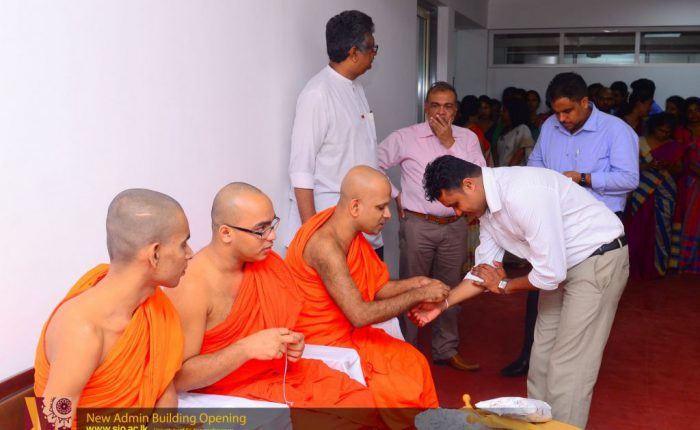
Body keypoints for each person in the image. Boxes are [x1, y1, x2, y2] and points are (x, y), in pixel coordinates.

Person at [413, 155, 629, 429]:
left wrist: (506, 286)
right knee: (541, 358)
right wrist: (442, 304)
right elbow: (483, 273)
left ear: (469, 184)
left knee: (569, 364)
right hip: (558, 268)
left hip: (596, 259)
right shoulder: (486, 209)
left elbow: (548, 274)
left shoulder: (523, 194)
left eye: (455, 204)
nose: (456, 213)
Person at [165, 183, 379, 427]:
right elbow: (179, 378)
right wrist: (245, 349)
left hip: (275, 375)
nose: (272, 237)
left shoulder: (264, 265)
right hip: (227, 390)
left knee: (360, 402)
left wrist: (289, 341)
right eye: (261, 230)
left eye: (272, 225)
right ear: (226, 233)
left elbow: (274, 323)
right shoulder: (192, 284)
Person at [286, 166, 447, 427]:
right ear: (355, 207)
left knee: (413, 360)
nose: (388, 215)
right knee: (398, 384)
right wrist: (419, 295)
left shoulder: (347, 232)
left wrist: (417, 283)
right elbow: (360, 315)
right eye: (381, 207)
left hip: (349, 330)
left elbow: (377, 287)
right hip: (323, 340)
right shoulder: (325, 246)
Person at [507, 72, 638, 379]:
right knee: (542, 299)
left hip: (597, 234)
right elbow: (535, 165)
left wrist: (583, 178)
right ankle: (530, 358)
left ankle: (567, 374)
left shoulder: (616, 130)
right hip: (554, 226)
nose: (562, 119)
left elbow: (629, 178)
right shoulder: (549, 127)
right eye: (557, 113)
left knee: (581, 310)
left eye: (568, 111)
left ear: (585, 102)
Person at [34, 189, 192, 427]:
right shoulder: (82, 331)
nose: (190, 254)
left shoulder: (154, 306)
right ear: (155, 254)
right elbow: (50, 424)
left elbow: (164, 388)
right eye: (183, 244)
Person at [378, 82, 486, 371]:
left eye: (448, 106)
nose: (441, 112)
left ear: (456, 110)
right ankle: (407, 351)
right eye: (435, 105)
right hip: (418, 225)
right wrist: (394, 192)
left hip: (455, 224)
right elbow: (373, 162)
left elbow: (480, 175)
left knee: (450, 288)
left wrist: (450, 142)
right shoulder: (405, 137)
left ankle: (445, 348)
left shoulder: (467, 138)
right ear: (426, 107)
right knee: (410, 288)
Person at [285, 10, 383, 257]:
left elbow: (360, 151)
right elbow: (301, 171)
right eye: (372, 48)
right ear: (354, 53)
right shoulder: (317, 94)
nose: (374, 54)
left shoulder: (356, 87)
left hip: (363, 226)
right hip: (331, 228)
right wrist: (314, 236)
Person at [624, 113, 686, 279]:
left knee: (662, 229)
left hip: (665, 192)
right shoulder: (639, 142)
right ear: (653, 127)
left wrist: (668, 165)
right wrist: (647, 166)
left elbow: (680, 169)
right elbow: (628, 166)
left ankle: (658, 267)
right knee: (638, 227)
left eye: (667, 131)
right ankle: (632, 267)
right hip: (642, 191)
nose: (664, 134)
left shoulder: (674, 146)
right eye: (661, 130)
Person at [679, 97, 700, 274]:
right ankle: (685, 260)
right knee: (689, 218)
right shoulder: (681, 132)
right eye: (690, 111)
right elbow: (678, 157)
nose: (693, 114)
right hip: (687, 181)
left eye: (697, 110)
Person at [495, 97, 535, 167]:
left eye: (504, 111)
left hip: (513, 172)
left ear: (513, 112)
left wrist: (507, 171)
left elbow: (518, 156)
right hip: (502, 171)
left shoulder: (523, 129)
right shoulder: (505, 131)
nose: (501, 113)